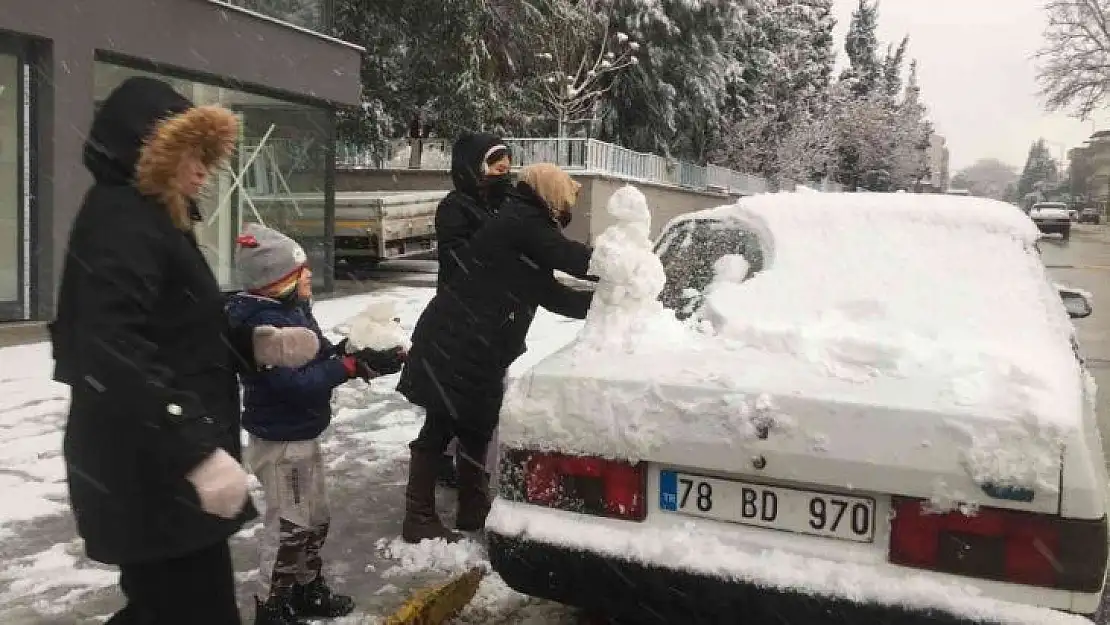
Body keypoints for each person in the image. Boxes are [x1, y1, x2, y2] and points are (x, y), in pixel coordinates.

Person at [49, 77, 320, 625]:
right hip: (148, 472)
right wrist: (192, 450)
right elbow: (112, 351)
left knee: (165, 610)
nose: (202, 169)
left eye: (206, 155)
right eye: (190, 153)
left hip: (155, 470)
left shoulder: (153, 219)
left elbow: (178, 328)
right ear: (153, 151)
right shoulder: (122, 220)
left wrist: (256, 344)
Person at [397, 163, 595, 543]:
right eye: (566, 198)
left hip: (479, 346)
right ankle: (418, 517)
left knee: (475, 425)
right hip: (457, 343)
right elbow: (573, 259)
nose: (567, 207)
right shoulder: (523, 221)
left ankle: (474, 509)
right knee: (440, 426)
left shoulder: (523, 223)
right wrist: (620, 266)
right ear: (549, 193)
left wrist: (604, 302)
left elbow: (550, 293)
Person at [226, 224, 406, 625]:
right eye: (299, 271)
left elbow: (320, 356)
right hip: (280, 442)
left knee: (315, 518)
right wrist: (346, 367)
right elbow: (293, 383)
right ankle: (272, 606)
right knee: (290, 525)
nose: (308, 275)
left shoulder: (293, 310)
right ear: (277, 283)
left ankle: (307, 589)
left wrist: (359, 354)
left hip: (303, 435)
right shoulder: (262, 330)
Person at [433, 133, 513, 488]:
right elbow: (459, 260)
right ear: (473, 168)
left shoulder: (499, 204)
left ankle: (470, 465)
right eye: (496, 167)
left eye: (507, 167)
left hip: (493, 318)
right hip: (460, 317)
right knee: (453, 396)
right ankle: (440, 461)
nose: (504, 173)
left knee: (482, 395)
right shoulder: (455, 207)